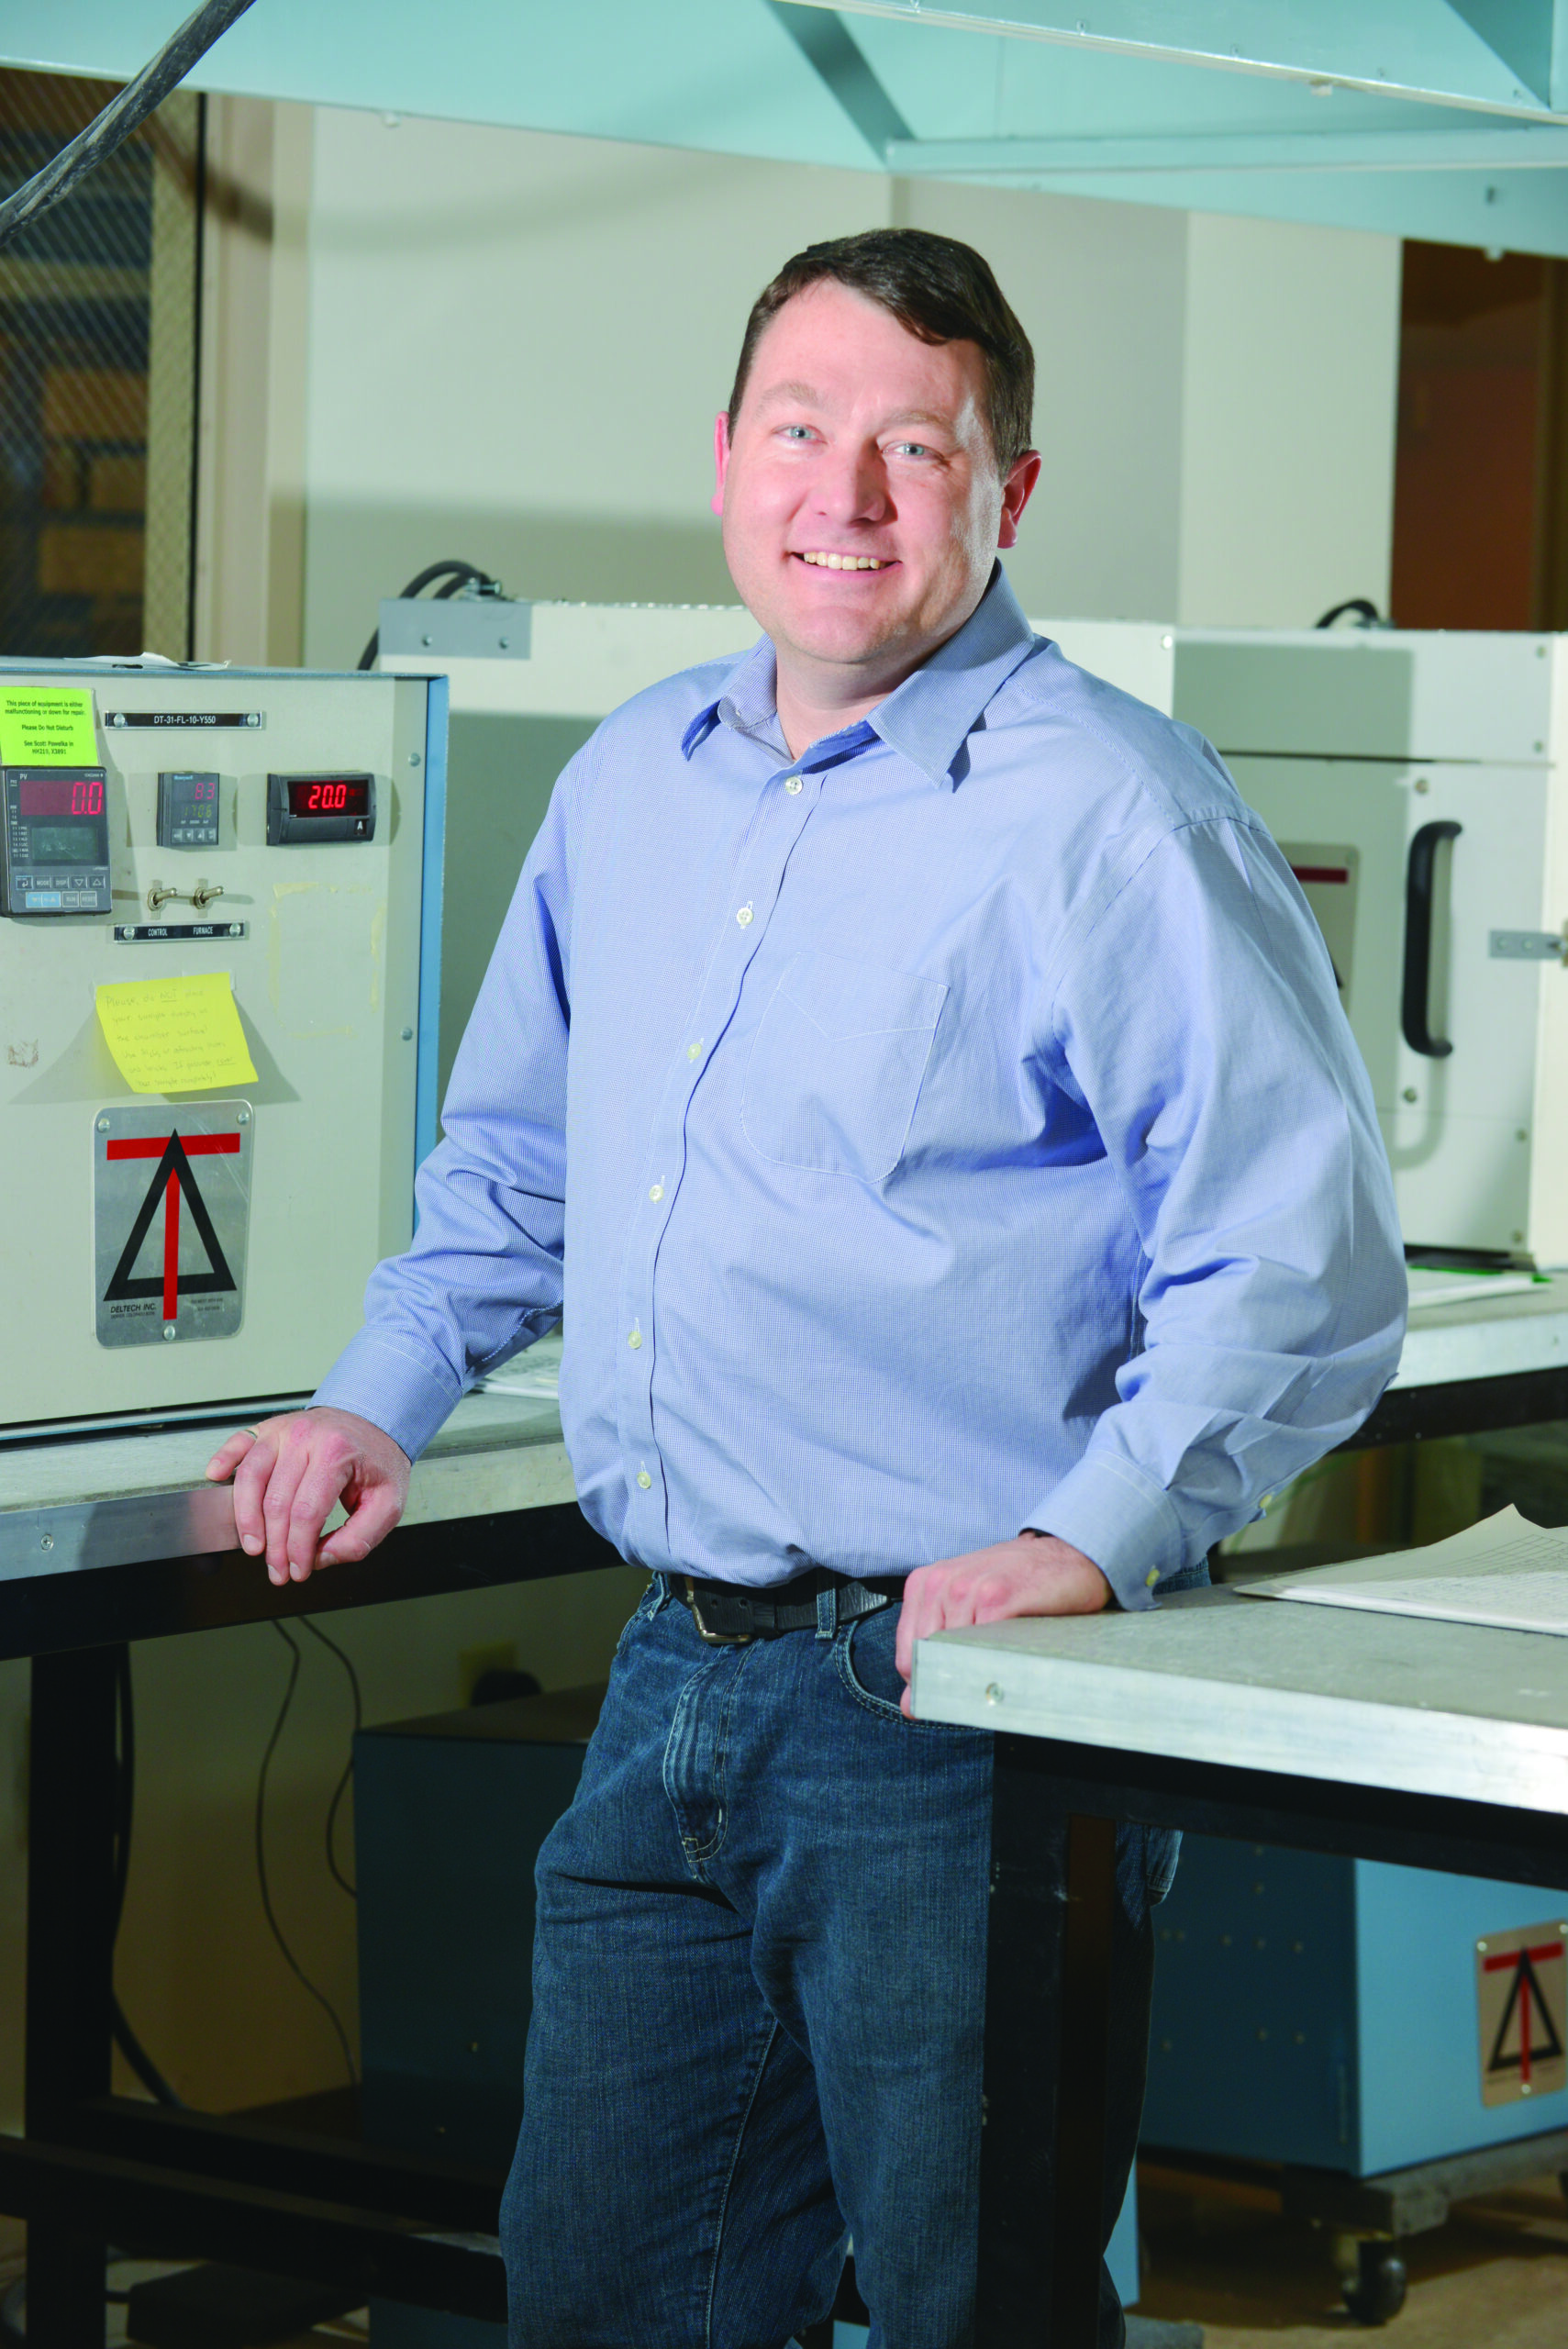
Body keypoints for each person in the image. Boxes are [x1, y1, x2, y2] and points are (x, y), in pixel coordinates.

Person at [208, 228, 1406, 2347]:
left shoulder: (1111, 817)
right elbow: (509, 1163)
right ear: (721, 460)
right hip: (668, 1675)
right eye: (799, 428)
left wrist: (1083, 1534)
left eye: (912, 447)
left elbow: (1294, 1266)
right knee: (603, 2300)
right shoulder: (630, 784)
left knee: (973, 2311)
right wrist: (371, 1390)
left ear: (1004, 490)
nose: (841, 494)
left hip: (948, 1719)